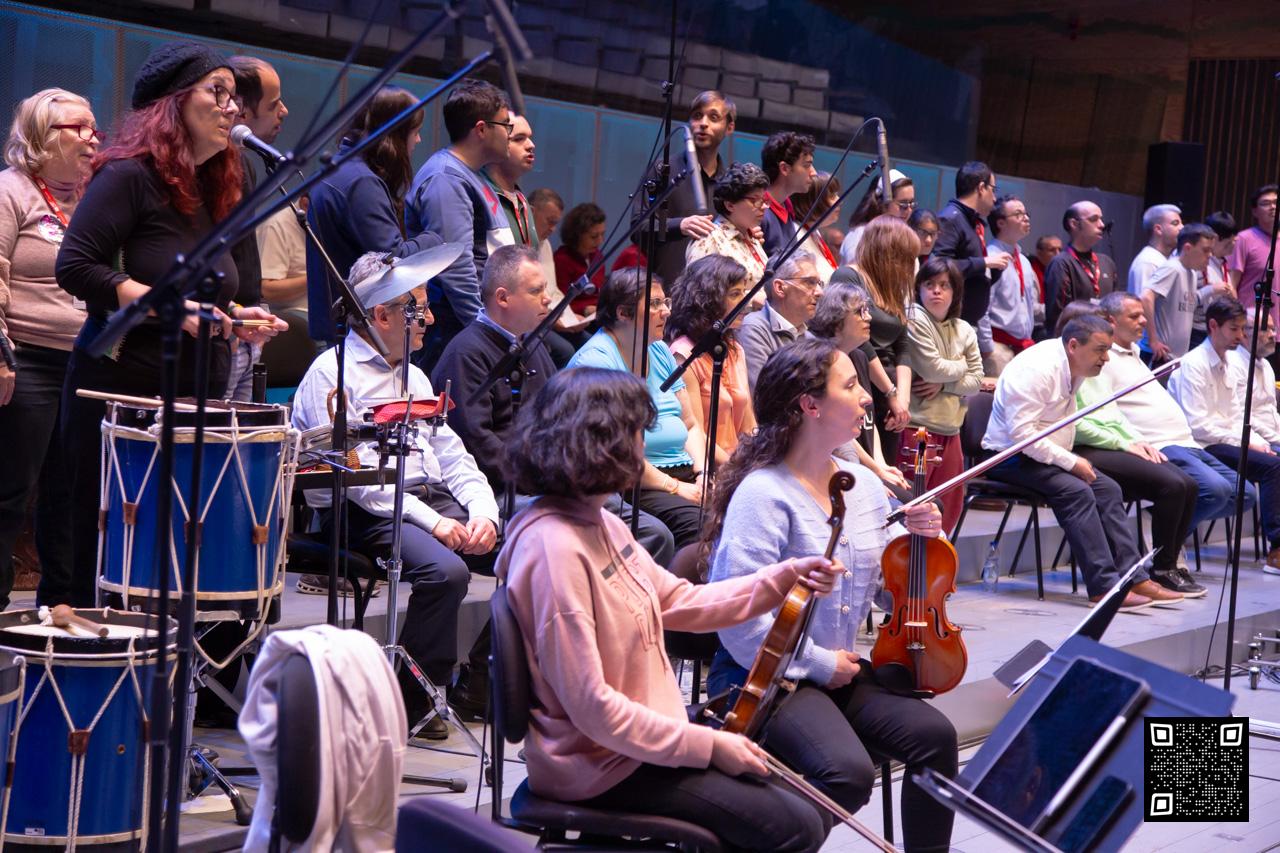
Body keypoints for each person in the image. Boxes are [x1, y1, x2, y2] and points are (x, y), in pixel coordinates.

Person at [497, 367, 838, 852]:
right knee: (790, 826)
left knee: (800, 810)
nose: (644, 449)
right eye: (638, 434)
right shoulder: (554, 550)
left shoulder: (600, 523)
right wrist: (708, 746)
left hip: (634, 747)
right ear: (602, 443)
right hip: (597, 767)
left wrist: (781, 579)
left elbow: (680, 600)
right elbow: (594, 709)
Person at [704, 337, 958, 853]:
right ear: (810, 405)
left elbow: (897, 597)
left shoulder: (862, 485)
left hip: (837, 671)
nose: (867, 396)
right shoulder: (763, 494)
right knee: (846, 772)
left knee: (937, 737)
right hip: (763, 676)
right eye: (851, 385)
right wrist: (820, 664)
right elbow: (737, 623)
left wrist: (925, 542)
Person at [56, 42, 285, 607]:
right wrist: (170, 308)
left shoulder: (216, 191)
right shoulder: (129, 176)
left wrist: (234, 318)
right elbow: (75, 266)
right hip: (120, 391)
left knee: (167, 564)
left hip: (192, 397)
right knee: (106, 553)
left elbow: (198, 295)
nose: (233, 108)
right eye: (218, 93)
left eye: (236, 97)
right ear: (173, 104)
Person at [293, 252, 499, 736]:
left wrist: (483, 512)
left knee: (531, 552)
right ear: (381, 315)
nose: (428, 319)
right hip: (365, 507)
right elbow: (357, 478)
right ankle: (412, 700)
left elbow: (455, 458)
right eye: (415, 309)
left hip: (428, 499)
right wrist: (435, 523)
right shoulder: (333, 372)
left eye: (425, 308)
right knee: (445, 572)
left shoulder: (416, 374)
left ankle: (480, 682)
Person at [431, 244, 677, 567]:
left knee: (652, 533)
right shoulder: (465, 354)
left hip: (550, 481)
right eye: (536, 291)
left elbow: (562, 419)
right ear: (503, 298)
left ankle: (601, 609)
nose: (548, 298)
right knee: (647, 533)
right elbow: (476, 445)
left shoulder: (532, 345)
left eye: (546, 289)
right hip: (504, 492)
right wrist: (550, 480)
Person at [982, 315, 1183, 609]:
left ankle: (1134, 577)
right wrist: (1071, 463)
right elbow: (1022, 435)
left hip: (1040, 453)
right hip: (1008, 455)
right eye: (1101, 350)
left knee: (1108, 488)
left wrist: (1069, 461)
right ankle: (1103, 587)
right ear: (1074, 345)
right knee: (1076, 491)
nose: (1106, 359)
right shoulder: (1037, 370)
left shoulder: (1073, 364)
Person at [0, 88, 97, 608]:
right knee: (12, 491)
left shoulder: (93, 199)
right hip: (27, 357)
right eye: (77, 128)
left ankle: (61, 608)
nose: (91, 137)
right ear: (41, 137)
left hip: (85, 361)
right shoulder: (11, 191)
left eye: (93, 127)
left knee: (71, 493)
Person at [1093, 292, 1248, 570]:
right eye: (1134, 316)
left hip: (1185, 440)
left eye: (1143, 314)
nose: (1144, 321)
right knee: (1214, 489)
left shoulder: (1134, 353)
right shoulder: (1103, 358)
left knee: (1244, 494)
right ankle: (1165, 539)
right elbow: (1107, 410)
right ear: (1110, 320)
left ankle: (1165, 527)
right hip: (1159, 442)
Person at [1068, 304, 1204, 597]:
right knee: (1170, 485)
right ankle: (1158, 571)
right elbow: (1076, 427)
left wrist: (1138, 440)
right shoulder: (1069, 369)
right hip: (1086, 447)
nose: (1105, 351)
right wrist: (1123, 444)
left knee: (1188, 484)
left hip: (1115, 441)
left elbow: (1114, 413)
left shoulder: (1098, 367)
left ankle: (1166, 565)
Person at [568, 267, 708, 549]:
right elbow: (613, 451)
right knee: (701, 523)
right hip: (633, 482)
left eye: (665, 302)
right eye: (655, 304)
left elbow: (690, 423)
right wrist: (677, 487)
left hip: (681, 473)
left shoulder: (658, 350)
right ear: (623, 313)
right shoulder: (597, 362)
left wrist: (702, 473)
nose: (666, 311)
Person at [305, 85, 441, 341]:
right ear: (396, 135)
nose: (418, 140)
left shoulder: (340, 170)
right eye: (415, 132)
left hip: (340, 329)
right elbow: (394, 260)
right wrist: (435, 238)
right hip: (354, 335)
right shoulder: (361, 183)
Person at [406, 78, 514, 370]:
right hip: (454, 330)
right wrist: (486, 333)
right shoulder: (447, 178)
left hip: (470, 326)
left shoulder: (472, 175)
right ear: (481, 129)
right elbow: (456, 266)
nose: (509, 134)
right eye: (506, 125)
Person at [1169, 297, 1280, 572]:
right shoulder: (1193, 363)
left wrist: (1255, 441)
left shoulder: (1229, 362)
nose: (1241, 336)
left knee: (1264, 472)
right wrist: (1248, 442)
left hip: (1226, 439)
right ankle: (1277, 548)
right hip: (1202, 444)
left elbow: (1234, 416)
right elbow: (1199, 424)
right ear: (1213, 326)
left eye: (1243, 329)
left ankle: (1173, 529)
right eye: (1235, 329)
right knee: (1273, 467)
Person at [479, 114, 578, 367]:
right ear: (497, 141)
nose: (531, 145)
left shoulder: (520, 200)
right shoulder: (479, 194)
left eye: (531, 138)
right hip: (493, 326)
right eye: (520, 138)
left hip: (524, 326)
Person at [808, 280, 913, 500]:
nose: (869, 318)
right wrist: (874, 472)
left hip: (867, 466)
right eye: (859, 312)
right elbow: (838, 434)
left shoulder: (859, 357)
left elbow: (868, 419)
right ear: (836, 321)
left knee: (923, 497)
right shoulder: (819, 362)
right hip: (842, 468)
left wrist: (882, 464)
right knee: (908, 504)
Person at [225, 55, 290, 400]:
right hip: (224, 326)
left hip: (250, 323)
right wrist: (231, 313)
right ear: (243, 112)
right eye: (275, 103)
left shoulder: (245, 166)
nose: (285, 111)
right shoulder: (208, 171)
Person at [903, 257, 984, 531]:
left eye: (944, 285)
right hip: (917, 429)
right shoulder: (914, 316)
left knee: (947, 513)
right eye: (929, 284)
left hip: (951, 431)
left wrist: (945, 385)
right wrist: (961, 366)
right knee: (912, 511)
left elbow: (976, 381)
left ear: (955, 292)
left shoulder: (964, 329)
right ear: (919, 288)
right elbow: (932, 368)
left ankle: (935, 572)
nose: (936, 291)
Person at [832, 216, 919, 461]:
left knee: (888, 466)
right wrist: (891, 393)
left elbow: (903, 345)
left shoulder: (891, 287)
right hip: (862, 379)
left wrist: (903, 399)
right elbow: (861, 342)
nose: (909, 266)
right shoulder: (848, 277)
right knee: (863, 463)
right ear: (886, 252)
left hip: (889, 389)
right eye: (905, 257)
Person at [632, 90, 735, 286]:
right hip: (667, 296)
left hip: (713, 297)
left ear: (729, 127)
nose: (703, 123)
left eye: (713, 117)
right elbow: (639, 227)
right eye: (697, 116)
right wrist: (681, 225)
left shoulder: (730, 182)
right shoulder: (663, 170)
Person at [666, 255, 757, 466]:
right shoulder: (683, 356)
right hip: (707, 468)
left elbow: (749, 424)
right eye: (736, 294)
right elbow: (695, 433)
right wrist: (738, 471)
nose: (746, 302)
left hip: (738, 466)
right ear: (708, 301)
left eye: (744, 292)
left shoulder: (735, 349)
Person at [931, 160, 1010, 327]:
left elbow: (972, 273)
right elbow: (939, 266)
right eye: (993, 190)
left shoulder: (970, 220)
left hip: (963, 322)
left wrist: (993, 269)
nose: (995, 198)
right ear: (981, 188)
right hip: (949, 322)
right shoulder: (950, 218)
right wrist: (984, 263)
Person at [739, 250, 822, 390]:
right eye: (809, 283)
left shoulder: (810, 338)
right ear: (780, 288)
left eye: (819, 283)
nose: (820, 292)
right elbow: (764, 399)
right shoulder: (753, 329)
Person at [980, 194, 1041, 376]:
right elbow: (982, 307)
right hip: (997, 347)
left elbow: (1028, 307)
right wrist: (987, 347)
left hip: (1022, 346)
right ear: (1001, 223)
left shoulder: (1024, 261)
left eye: (1026, 213)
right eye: (1018, 214)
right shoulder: (991, 257)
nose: (1026, 218)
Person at [686, 161, 770, 294]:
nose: (764, 206)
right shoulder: (709, 239)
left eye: (764, 200)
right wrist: (751, 301)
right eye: (755, 200)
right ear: (730, 205)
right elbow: (699, 297)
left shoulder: (752, 238)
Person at [1139, 223, 1216, 364]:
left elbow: (1188, 302)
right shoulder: (1172, 268)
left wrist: (1211, 290)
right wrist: (1153, 340)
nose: (1210, 255)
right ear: (1187, 248)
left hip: (1175, 357)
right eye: (1205, 250)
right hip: (1159, 355)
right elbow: (1145, 296)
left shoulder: (1191, 272)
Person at [1043, 201, 1121, 333]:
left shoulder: (1107, 262)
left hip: (1103, 338)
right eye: (1094, 219)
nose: (1101, 225)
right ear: (1074, 224)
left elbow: (1115, 307)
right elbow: (1057, 316)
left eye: (1101, 219)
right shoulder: (1061, 263)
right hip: (1075, 341)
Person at [529, 187, 592, 347]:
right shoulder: (516, 244)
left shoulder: (545, 245)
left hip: (552, 318)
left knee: (589, 342)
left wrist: (569, 317)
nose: (553, 228)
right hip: (532, 321)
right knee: (565, 351)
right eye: (550, 221)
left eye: (556, 223)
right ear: (530, 212)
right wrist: (554, 320)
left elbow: (553, 290)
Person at [839, 169, 915, 265]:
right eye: (903, 204)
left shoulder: (905, 239)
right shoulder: (861, 236)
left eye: (911, 203)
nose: (909, 210)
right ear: (882, 204)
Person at [1228, 184, 1278, 325]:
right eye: (1266, 203)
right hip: (1251, 327)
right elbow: (1231, 284)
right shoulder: (1243, 239)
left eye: (1276, 202)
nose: (1273, 207)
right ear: (1255, 211)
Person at [760, 131, 816, 256]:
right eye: (807, 165)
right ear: (785, 168)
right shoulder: (759, 212)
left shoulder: (786, 207)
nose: (814, 173)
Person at [1232, 308, 1280, 452]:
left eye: (1274, 329)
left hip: (1275, 437)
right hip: (1259, 442)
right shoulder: (1234, 364)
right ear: (1244, 333)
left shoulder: (1266, 365)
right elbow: (1243, 417)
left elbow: (1271, 411)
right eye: (1266, 330)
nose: (1273, 335)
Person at [256, 193, 308, 314]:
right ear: (305, 204)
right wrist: (318, 276)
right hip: (294, 315)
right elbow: (267, 290)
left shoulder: (326, 219)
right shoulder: (276, 226)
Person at [553, 201, 607, 316]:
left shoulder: (597, 256)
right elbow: (557, 302)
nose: (600, 241)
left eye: (603, 234)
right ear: (577, 234)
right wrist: (584, 309)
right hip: (573, 319)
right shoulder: (562, 260)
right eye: (594, 236)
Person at [1196, 211, 1239, 349]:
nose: (1234, 244)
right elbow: (1187, 297)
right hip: (1196, 330)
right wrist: (1212, 289)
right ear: (1214, 239)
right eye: (1229, 242)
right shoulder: (1198, 263)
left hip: (1214, 330)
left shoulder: (1222, 263)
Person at [788, 171, 841, 281]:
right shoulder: (796, 234)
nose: (839, 201)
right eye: (832, 196)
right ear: (811, 201)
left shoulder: (813, 231)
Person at [1127, 204, 1182, 296]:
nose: (1182, 227)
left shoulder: (1170, 259)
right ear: (1158, 229)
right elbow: (1141, 304)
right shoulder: (1147, 262)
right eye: (1175, 223)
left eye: (1181, 223)